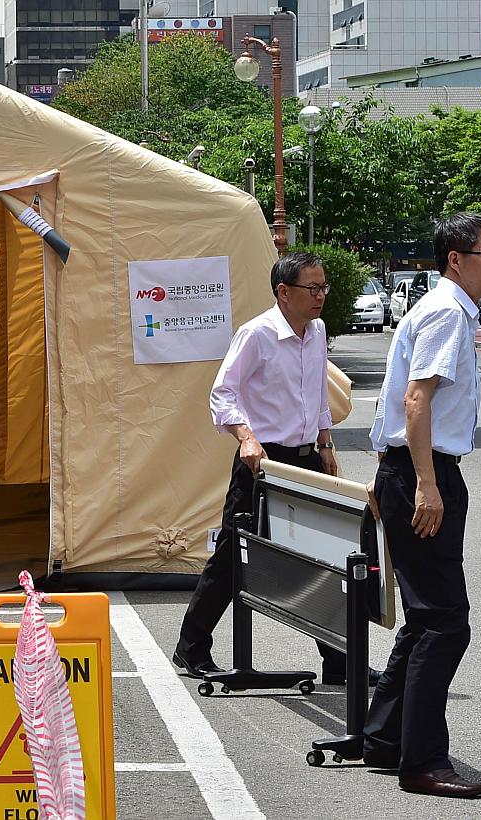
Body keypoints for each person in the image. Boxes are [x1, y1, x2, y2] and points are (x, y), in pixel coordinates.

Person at [173, 252, 370, 686]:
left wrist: (325, 441)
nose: (320, 297)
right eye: (312, 289)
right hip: (262, 461)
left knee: (325, 556)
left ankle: (339, 661)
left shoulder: (316, 331)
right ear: (284, 292)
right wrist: (245, 436)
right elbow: (222, 393)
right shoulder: (258, 334)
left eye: (324, 288)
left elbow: (317, 392)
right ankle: (191, 647)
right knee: (232, 555)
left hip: (306, 458)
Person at [363, 212, 481, 798]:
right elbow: (416, 401)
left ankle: (385, 738)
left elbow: (399, 401)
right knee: (446, 622)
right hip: (426, 473)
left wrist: (396, 473)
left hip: (410, 470)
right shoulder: (447, 311)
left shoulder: (442, 307)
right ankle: (422, 762)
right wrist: (425, 483)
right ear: (456, 258)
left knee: (425, 616)